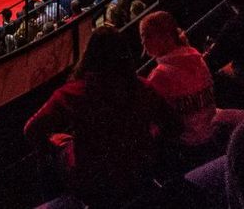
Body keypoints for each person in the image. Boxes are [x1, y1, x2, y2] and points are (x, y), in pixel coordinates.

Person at [23, 26, 180, 208]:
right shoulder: (144, 88)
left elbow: (31, 130)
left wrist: (59, 142)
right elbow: (174, 125)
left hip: (93, 183)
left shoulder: (73, 93)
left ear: (89, 56)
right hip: (139, 172)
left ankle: (55, 201)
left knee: (50, 150)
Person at [140, 11, 216, 158]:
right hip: (211, 136)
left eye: (147, 36)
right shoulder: (196, 57)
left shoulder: (160, 75)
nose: (143, 42)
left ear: (165, 37)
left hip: (188, 148)